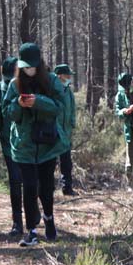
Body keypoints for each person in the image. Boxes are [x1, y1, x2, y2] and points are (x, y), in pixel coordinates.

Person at [3, 42, 70, 247]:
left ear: (39, 64)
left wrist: (38, 101)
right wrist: (19, 104)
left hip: (47, 144)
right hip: (23, 145)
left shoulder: (51, 81)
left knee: (46, 188)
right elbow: (8, 112)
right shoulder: (14, 84)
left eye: (31, 66)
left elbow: (60, 107)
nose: (28, 70)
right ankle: (31, 230)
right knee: (29, 188)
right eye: (25, 66)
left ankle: (49, 219)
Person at [0, 55, 23, 237]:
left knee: (32, 182)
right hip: (10, 144)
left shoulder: (26, 85)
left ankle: (33, 215)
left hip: (29, 144)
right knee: (15, 182)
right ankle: (17, 222)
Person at [53, 64, 77, 196]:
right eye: (67, 75)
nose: (69, 77)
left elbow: (72, 108)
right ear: (60, 76)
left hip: (66, 133)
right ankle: (47, 189)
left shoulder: (68, 90)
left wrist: (72, 124)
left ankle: (67, 189)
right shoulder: (52, 89)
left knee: (66, 162)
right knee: (50, 163)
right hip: (54, 132)